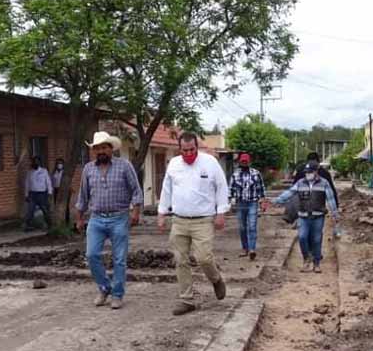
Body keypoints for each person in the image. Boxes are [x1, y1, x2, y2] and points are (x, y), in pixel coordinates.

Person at [158, 132, 229, 316]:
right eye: (184, 150)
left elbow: (222, 187)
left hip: (203, 220)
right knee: (180, 260)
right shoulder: (174, 164)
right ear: (179, 149)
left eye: (192, 150)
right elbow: (167, 189)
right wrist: (162, 212)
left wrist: (221, 212)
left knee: (204, 257)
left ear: (197, 147)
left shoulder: (210, 163)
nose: (188, 153)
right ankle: (186, 299)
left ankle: (216, 279)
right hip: (179, 220)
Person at [75, 131, 143, 310]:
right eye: (97, 148)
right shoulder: (88, 169)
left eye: (104, 147)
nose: (101, 151)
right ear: (93, 151)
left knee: (119, 259)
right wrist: (80, 217)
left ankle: (117, 295)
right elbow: (83, 195)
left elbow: (136, 190)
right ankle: (104, 287)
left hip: (119, 217)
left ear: (111, 149)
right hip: (96, 219)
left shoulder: (124, 166)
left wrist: (135, 212)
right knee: (91, 255)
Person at [267, 161, 339, 274]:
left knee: (317, 239)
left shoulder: (324, 183)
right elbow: (289, 193)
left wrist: (335, 213)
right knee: (302, 237)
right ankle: (306, 258)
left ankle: (316, 263)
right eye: (306, 172)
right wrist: (275, 201)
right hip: (303, 216)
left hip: (318, 216)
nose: (308, 174)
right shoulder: (300, 183)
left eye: (310, 172)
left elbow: (330, 198)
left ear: (316, 172)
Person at [229, 153, 266, 261]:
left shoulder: (256, 174)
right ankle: (245, 248)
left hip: (252, 203)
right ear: (240, 162)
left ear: (249, 162)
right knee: (242, 227)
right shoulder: (235, 175)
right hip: (240, 203)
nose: (244, 163)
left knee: (252, 226)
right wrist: (230, 201)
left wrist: (263, 201)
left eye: (246, 161)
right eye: (242, 161)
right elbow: (230, 189)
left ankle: (252, 249)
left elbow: (261, 188)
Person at [24, 156, 53, 232]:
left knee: (45, 210)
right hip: (32, 194)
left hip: (42, 194)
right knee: (30, 210)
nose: (35, 163)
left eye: (37, 161)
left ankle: (50, 225)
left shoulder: (44, 171)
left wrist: (50, 192)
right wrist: (26, 194)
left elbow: (48, 182)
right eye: (34, 161)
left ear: (39, 162)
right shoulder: (29, 172)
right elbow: (27, 184)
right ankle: (27, 225)